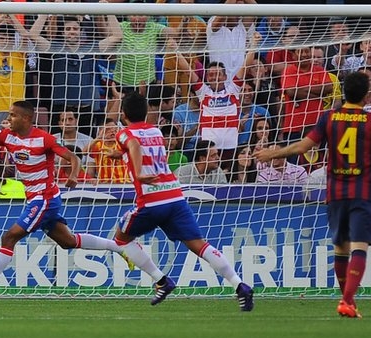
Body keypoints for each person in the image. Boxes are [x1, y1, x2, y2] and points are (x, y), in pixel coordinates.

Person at [0, 100, 137, 303]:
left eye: (13, 115)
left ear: (26, 118)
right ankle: (119, 248)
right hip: (36, 199)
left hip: (44, 199)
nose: (9, 119)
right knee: (68, 242)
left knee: (9, 237)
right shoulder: (7, 136)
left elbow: (74, 158)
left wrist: (73, 175)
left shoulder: (44, 139)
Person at [108, 92, 254, 310]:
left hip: (151, 200)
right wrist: (118, 154)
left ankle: (161, 280)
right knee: (199, 245)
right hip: (175, 196)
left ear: (123, 114)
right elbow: (135, 148)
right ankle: (239, 285)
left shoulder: (124, 133)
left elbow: (135, 146)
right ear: (147, 112)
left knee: (121, 239)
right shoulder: (156, 131)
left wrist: (138, 172)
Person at [253, 71, 371, 318]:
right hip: (361, 192)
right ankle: (347, 300)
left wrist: (272, 154)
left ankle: (347, 301)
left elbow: (302, 147)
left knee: (340, 247)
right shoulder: (369, 122)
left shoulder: (328, 118)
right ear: (365, 95)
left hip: (335, 192)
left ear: (343, 93)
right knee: (359, 246)